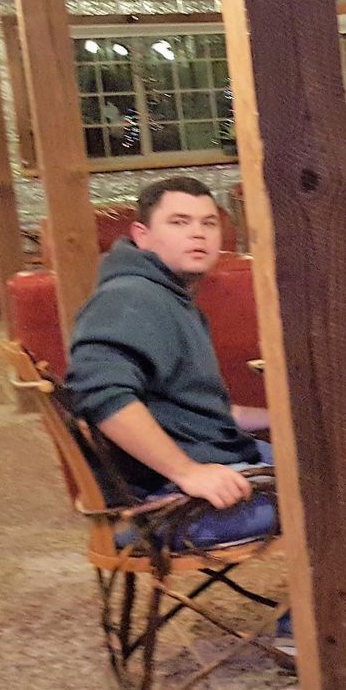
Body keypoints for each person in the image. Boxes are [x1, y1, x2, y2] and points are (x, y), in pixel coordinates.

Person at [63, 177, 283, 571]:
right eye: (179, 222)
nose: (198, 233)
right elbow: (101, 396)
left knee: (334, 462)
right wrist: (188, 472)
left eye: (208, 223)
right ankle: (326, 613)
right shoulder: (130, 298)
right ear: (142, 235)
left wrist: (280, 419)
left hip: (203, 466)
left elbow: (199, 410)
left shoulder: (167, 295)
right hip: (164, 508)